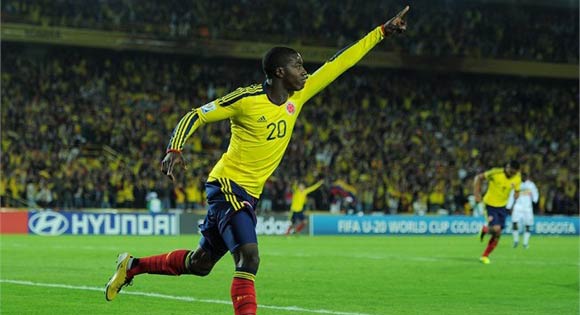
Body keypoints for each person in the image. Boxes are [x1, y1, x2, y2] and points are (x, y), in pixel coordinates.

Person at [105, 6, 410, 314]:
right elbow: (195, 115)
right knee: (249, 258)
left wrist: (381, 32)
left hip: (250, 193)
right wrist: (175, 148)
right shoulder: (246, 100)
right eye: (298, 66)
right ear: (280, 72)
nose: (305, 71)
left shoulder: (297, 98)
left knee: (201, 263)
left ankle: (132, 266)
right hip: (228, 185)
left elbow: (339, 63)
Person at [473, 160, 522, 264]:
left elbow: (517, 191)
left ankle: (485, 256)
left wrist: (514, 201)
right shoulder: (496, 173)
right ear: (507, 167)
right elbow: (478, 178)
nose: (511, 174)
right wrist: (477, 194)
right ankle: (485, 229)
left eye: (513, 172)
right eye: (510, 171)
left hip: (502, 207)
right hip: (490, 204)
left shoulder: (517, 177)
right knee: (496, 228)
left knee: (498, 234)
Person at [507, 172, 539, 249]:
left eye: (525, 176)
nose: (523, 178)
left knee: (527, 225)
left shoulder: (531, 185)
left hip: (527, 208)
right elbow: (512, 195)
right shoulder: (516, 184)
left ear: (527, 177)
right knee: (515, 223)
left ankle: (525, 243)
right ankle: (516, 241)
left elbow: (535, 193)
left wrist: (535, 199)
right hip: (518, 207)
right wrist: (509, 205)